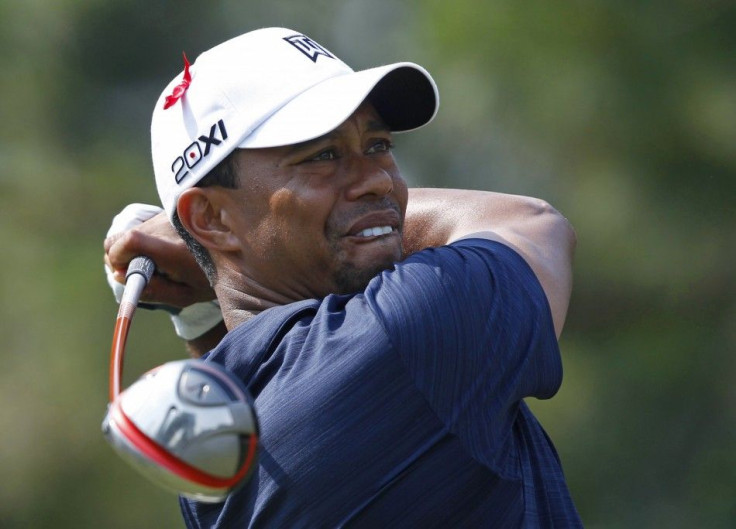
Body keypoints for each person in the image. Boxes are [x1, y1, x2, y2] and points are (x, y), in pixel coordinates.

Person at [104, 27, 581, 528]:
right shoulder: (404, 337)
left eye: (377, 144)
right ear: (213, 218)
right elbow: (532, 226)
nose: (379, 179)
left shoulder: (212, 458)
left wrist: (203, 297)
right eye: (323, 156)